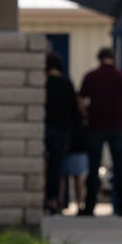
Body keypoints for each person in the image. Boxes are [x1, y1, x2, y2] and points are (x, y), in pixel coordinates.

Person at [76, 46, 122, 216]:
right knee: (120, 166)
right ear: (113, 58)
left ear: (99, 58)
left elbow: (80, 101)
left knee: (94, 166)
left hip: (96, 125)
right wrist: (121, 110)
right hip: (117, 126)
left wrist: (87, 114)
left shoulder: (91, 76)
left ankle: (89, 206)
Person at [42, 51, 81, 213]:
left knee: (43, 166)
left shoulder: (43, 83)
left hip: (45, 128)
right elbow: (75, 110)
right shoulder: (67, 84)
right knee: (56, 167)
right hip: (62, 131)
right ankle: (54, 200)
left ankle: (43, 199)